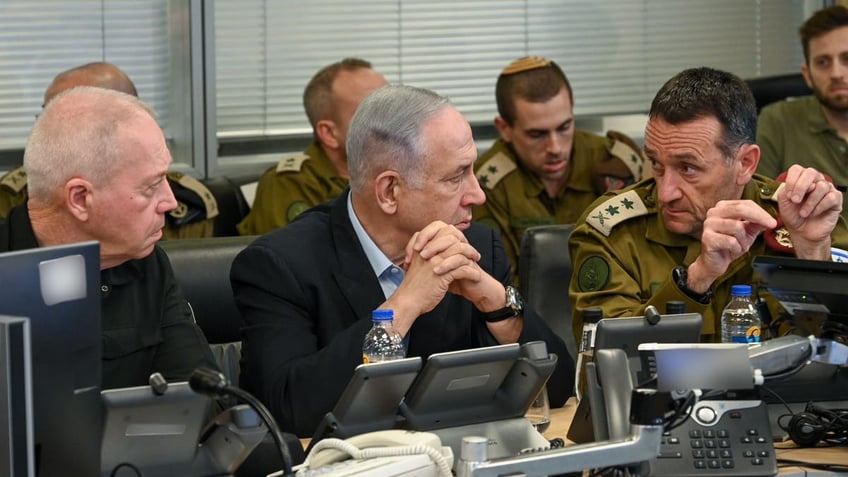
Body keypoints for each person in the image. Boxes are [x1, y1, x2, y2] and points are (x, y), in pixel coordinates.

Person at [231, 84, 575, 437]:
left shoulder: (475, 245)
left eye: (472, 170)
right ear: (389, 191)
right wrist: (404, 304)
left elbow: (558, 389)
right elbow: (284, 412)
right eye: (456, 177)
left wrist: (498, 305)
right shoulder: (280, 266)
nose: (477, 194)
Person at [568, 67, 848, 345]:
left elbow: (836, 354)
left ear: (745, 163)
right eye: (656, 163)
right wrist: (695, 280)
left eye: (688, 168)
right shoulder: (611, 232)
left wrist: (813, 255)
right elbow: (603, 358)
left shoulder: (800, 216)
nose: (665, 193)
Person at [0, 86, 219, 389]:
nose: (170, 201)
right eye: (151, 186)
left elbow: (201, 397)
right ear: (80, 199)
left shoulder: (145, 262)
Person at [473, 56, 646, 282]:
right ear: (504, 128)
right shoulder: (486, 185)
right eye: (537, 134)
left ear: (572, 108)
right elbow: (498, 282)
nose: (555, 148)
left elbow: (640, 264)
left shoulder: (616, 163)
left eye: (564, 127)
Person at [0, 62, 219, 239]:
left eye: (70, 117)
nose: (50, 126)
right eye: (46, 114)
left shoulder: (182, 206)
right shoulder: (14, 196)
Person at [237, 58, 388, 235]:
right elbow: (297, 250)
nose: (393, 121)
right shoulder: (290, 184)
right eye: (372, 113)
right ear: (329, 133)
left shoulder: (403, 172)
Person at [757, 5, 848, 216]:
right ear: (807, 74)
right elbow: (759, 210)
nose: (836, 73)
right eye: (823, 62)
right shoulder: (777, 121)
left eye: (847, 59)